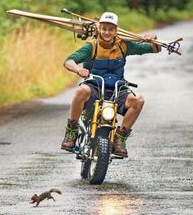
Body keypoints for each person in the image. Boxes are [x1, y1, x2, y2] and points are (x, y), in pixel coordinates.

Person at [61, 12, 161, 157]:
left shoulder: (123, 45)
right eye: (104, 28)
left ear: (116, 30)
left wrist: (153, 39)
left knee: (138, 100)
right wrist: (78, 69)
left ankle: (119, 139)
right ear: (98, 29)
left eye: (111, 29)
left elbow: (155, 49)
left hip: (117, 90)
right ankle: (72, 132)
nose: (107, 32)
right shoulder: (91, 46)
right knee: (80, 91)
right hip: (94, 88)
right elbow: (68, 61)